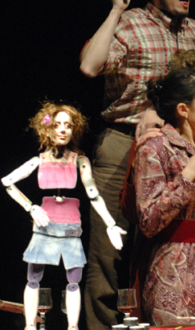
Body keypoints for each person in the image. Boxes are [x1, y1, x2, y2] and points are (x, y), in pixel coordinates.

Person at [79, 0, 195, 329]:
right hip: (123, 143)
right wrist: (115, 10)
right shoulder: (130, 24)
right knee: (108, 251)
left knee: (163, 250)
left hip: (175, 150)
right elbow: (89, 66)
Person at [1, 103, 126, 330]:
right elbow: (7, 182)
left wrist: (110, 223)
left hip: (70, 225)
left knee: (73, 281)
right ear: (47, 129)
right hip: (45, 224)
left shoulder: (80, 161)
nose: (62, 130)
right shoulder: (38, 160)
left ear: (73, 130)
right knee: (33, 278)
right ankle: (30, 326)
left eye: (68, 125)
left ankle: (73, 327)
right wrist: (31, 207)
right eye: (57, 125)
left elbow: (93, 194)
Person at [135, 68, 195, 324]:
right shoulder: (155, 146)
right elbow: (148, 221)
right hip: (177, 265)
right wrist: (187, 178)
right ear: (183, 109)